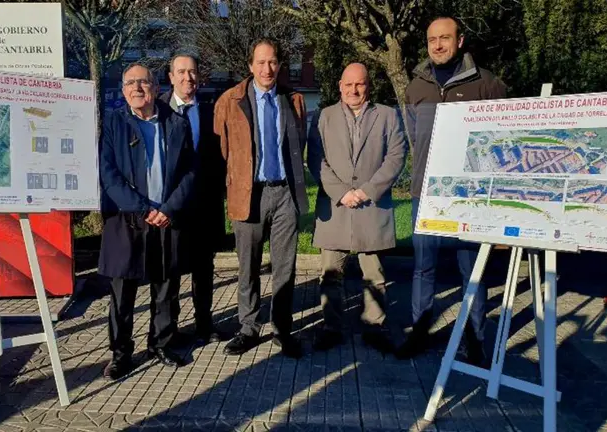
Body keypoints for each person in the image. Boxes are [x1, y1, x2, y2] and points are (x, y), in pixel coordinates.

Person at [398, 16, 507, 365]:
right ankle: (419, 332)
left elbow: (502, 144)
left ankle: (475, 339)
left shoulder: (487, 85)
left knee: (471, 269)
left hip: (470, 198)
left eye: (445, 38)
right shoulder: (416, 87)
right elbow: (413, 137)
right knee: (423, 267)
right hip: (425, 194)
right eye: (432, 40)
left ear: (460, 41)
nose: (438, 45)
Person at [98, 63, 196, 379]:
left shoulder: (177, 124)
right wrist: (140, 208)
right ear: (123, 89)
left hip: (166, 218)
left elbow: (190, 172)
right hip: (127, 220)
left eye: (143, 82)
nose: (137, 88)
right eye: (130, 83)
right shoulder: (113, 123)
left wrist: (169, 207)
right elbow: (108, 174)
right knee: (122, 292)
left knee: (166, 286)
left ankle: (162, 343)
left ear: (155, 87)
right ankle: (120, 353)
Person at [213, 38, 308, 358]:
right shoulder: (230, 100)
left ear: (279, 65)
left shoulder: (292, 99)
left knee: (285, 266)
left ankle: (282, 329)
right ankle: (248, 328)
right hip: (248, 193)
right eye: (261, 62)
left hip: (284, 194)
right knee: (248, 266)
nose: (267, 68)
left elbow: (299, 143)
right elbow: (222, 149)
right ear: (250, 66)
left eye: (273, 63)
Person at [307, 63, 406, 352]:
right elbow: (316, 159)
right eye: (348, 84)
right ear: (340, 85)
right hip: (335, 206)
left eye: (360, 84)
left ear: (368, 86)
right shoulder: (323, 117)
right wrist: (341, 192)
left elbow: (396, 157)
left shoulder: (387, 116)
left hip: (370, 205)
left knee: (373, 273)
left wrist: (367, 191)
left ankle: (374, 325)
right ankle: (332, 327)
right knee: (330, 273)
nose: (354, 90)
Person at [159, 53, 225, 344]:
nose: (188, 78)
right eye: (181, 72)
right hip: (170, 206)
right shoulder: (157, 109)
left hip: (203, 205)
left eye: (193, 72)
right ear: (171, 76)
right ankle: (168, 329)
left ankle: (204, 324)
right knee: (169, 271)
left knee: (203, 268)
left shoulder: (211, 112)